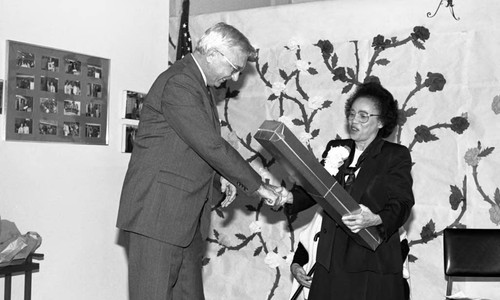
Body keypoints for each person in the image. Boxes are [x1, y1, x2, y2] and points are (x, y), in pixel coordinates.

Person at [116, 22, 280, 300]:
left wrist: (222, 176)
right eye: (234, 67)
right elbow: (211, 144)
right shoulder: (179, 82)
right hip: (159, 217)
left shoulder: (198, 87)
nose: (236, 77)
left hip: (184, 220)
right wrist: (258, 186)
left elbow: (190, 149)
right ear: (213, 54)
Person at [277, 82, 415, 300]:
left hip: (371, 260)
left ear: (381, 121)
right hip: (330, 257)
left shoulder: (395, 155)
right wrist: (288, 197)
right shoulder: (336, 148)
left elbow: (403, 203)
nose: (354, 121)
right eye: (351, 114)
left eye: (363, 116)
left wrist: (376, 219)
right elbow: (317, 189)